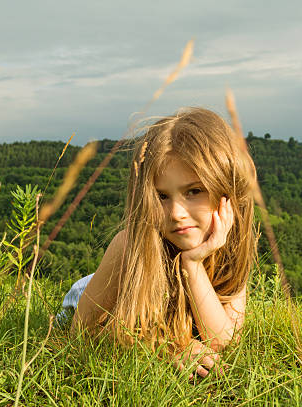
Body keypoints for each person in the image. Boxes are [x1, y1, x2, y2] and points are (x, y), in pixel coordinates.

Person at [63, 107, 257, 378]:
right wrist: (167, 347)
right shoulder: (131, 245)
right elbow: (81, 333)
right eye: (162, 196)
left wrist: (192, 263)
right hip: (98, 291)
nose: (177, 213)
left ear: (226, 192)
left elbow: (224, 342)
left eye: (194, 191)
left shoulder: (231, 246)